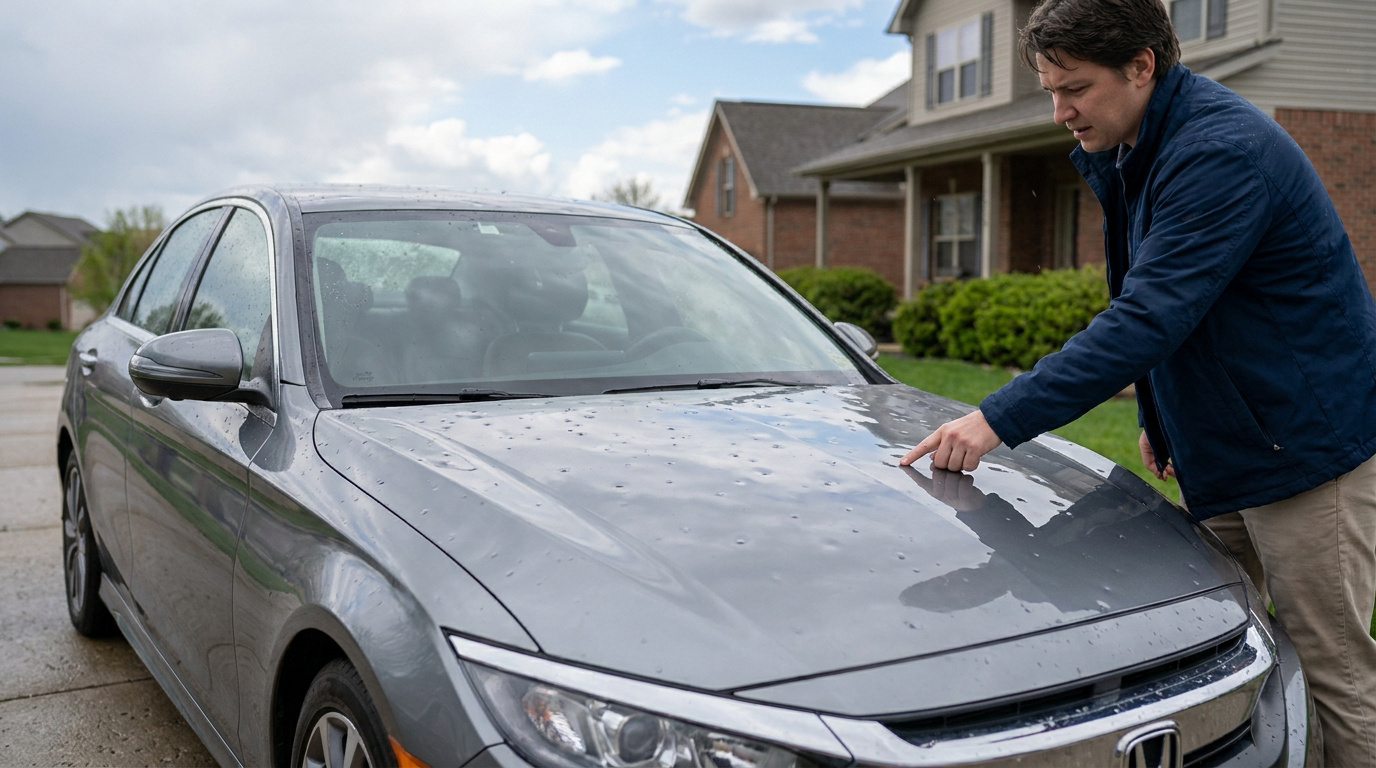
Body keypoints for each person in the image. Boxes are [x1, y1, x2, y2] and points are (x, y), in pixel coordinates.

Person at [899, 0, 1376, 762]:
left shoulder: (1221, 152)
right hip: (1231, 445)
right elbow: (1162, 303)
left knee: (1334, 669)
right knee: (1212, 644)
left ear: (1142, 66)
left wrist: (995, 420)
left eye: (1075, 89)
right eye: (1051, 90)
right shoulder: (1138, 145)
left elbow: (1149, 317)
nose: (1060, 112)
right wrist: (1159, 415)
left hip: (1305, 453)